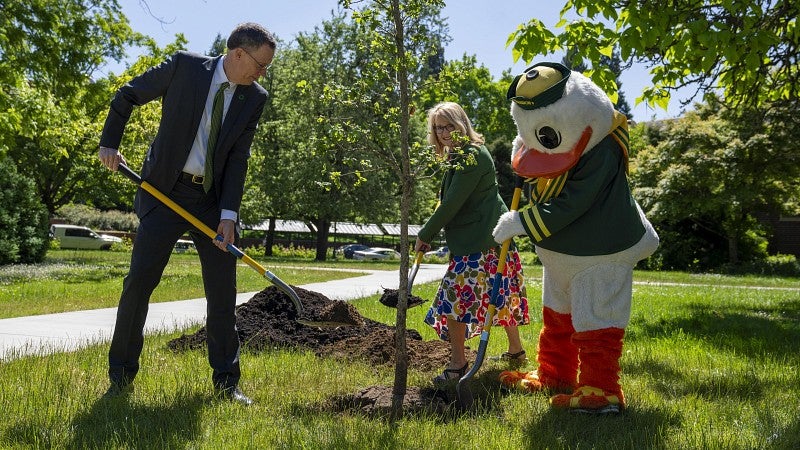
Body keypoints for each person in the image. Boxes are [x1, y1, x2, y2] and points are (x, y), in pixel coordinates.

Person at [97, 22, 275, 405]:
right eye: (261, 64)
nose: (263, 74)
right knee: (139, 284)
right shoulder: (184, 67)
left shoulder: (253, 97)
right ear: (238, 53)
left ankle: (227, 382)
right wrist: (110, 143)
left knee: (222, 292)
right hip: (163, 192)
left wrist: (229, 214)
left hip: (211, 202)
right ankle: (121, 376)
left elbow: (238, 158)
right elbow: (127, 94)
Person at [415, 101, 530, 383]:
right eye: (438, 127)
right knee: (498, 293)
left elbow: (452, 203)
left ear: (461, 124)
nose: (443, 132)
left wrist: (424, 234)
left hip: (482, 240)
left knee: (454, 299)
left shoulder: (473, 155)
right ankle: (516, 352)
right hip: (485, 237)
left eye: (448, 125)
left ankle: (457, 363)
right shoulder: (458, 156)